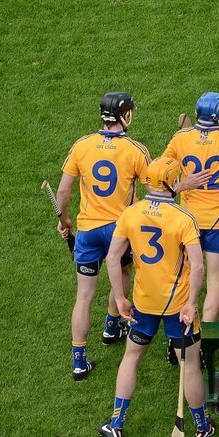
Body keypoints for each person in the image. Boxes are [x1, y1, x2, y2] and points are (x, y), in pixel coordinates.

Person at [97, 157, 214, 437]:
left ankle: (116, 423)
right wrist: (192, 303)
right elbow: (198, 267)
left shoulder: (130, 214)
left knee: (131, 358)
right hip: (177, 307)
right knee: (189, 366)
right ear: (173, 182)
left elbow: (112, 258)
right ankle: (201, 425)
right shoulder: (184, 217)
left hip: (143, 302)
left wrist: (120, 297)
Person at [56, 92, 149, 381]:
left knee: (83, 296)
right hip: (119, 230)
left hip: (87, 230)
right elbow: (154, 187)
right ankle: (111, 327)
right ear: (126, 116)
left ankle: (79, 362)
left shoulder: (81, 146)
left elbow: (62, 192)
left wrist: (65, 220)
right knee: (122, 273)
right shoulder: (136, 151)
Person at [160, 92, 219, 323]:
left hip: (187, 222)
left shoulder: (180, 138)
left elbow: (160, 177)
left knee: (185, 279)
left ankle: (181, 335)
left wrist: (181, 185)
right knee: (216, 282)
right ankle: (205, 336)